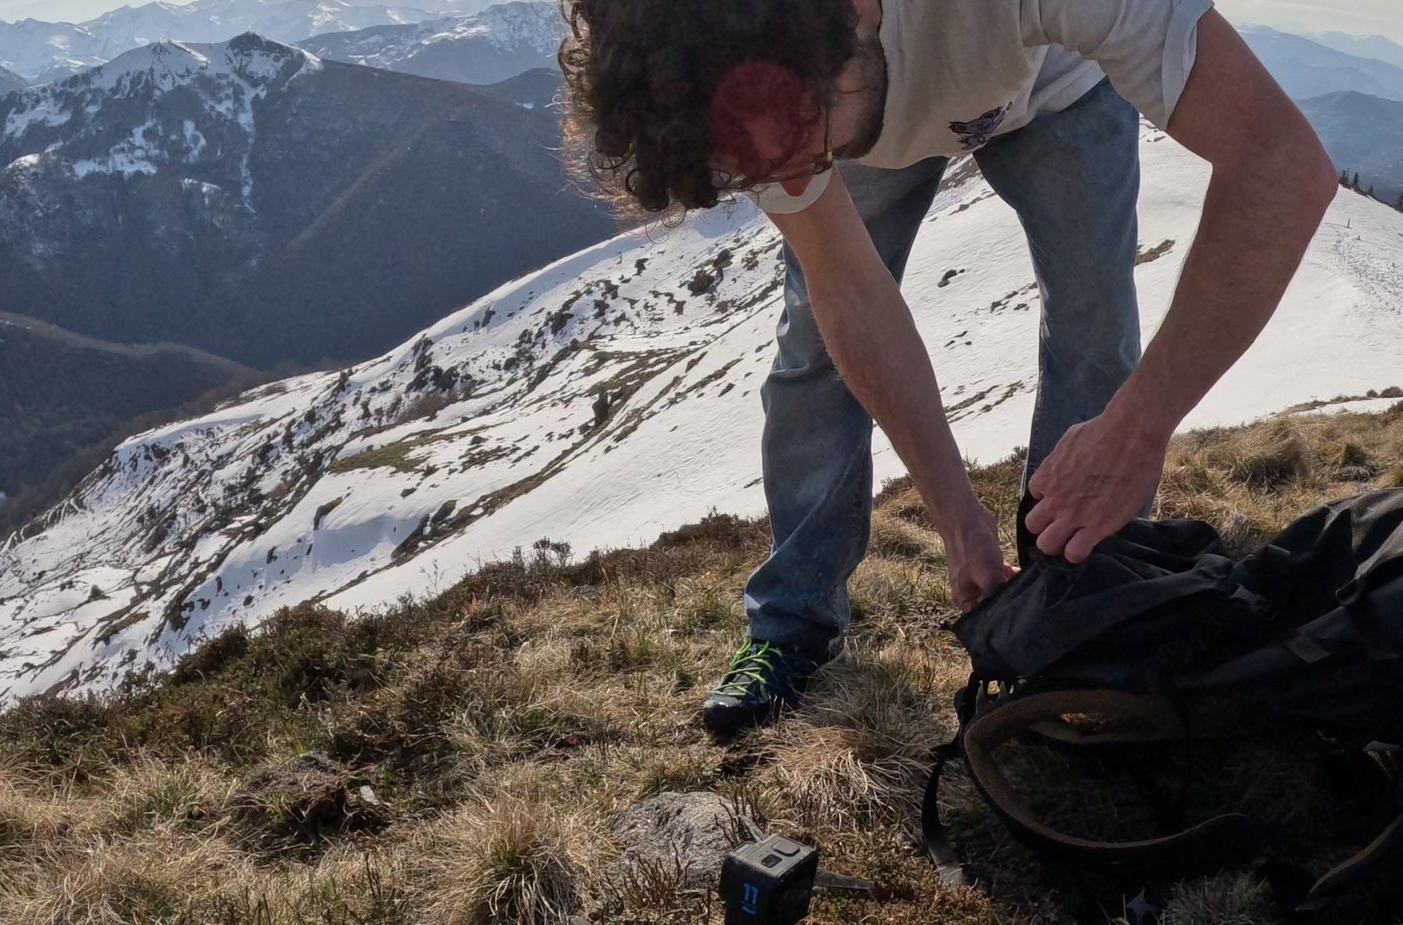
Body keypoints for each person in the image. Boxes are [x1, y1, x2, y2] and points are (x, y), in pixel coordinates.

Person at [559, 0, 1337, 737]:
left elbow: (1282, 164)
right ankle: (791, 623)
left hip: (1063, 83)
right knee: (814, 352)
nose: (794, 180)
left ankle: (1080, 607)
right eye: (768, 165)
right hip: (864, 85)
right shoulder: (731, 67)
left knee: (1094, 329)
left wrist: (1141, 425)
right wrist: (959, 522)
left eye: (806, 141)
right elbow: (852, 297)